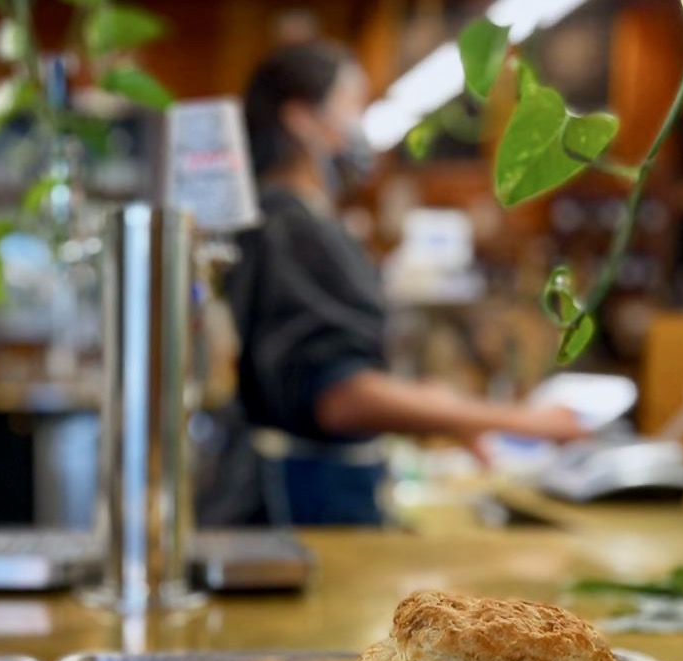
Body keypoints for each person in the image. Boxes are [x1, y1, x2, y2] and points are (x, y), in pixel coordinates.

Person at [227, 41, 589, 525]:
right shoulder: (293, 229)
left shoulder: (297, 221)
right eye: (352, 104)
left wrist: (440, 409)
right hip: (308, 509)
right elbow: (339, 397)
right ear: (302, 119)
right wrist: (524, 422)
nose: (362, 124)